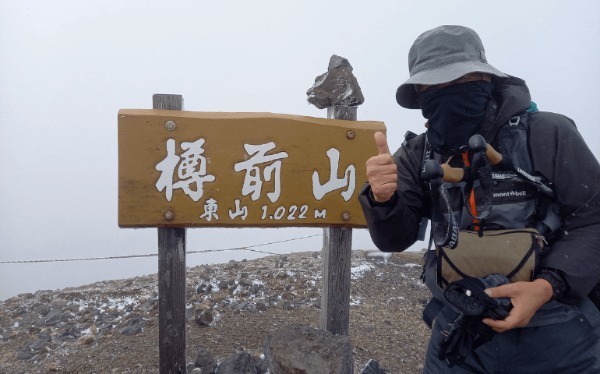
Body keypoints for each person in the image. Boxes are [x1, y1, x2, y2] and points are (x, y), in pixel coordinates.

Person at [359, 25, 600, 372]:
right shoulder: (416, 154)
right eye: (434, 85)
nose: (448, 92)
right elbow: (394, 237)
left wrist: (546, 288)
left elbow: (592, 219)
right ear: (421, 92)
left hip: (558, 332)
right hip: (461, 332)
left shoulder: (549, 132)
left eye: (460, 80)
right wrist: (382, 199)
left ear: (485, 79)